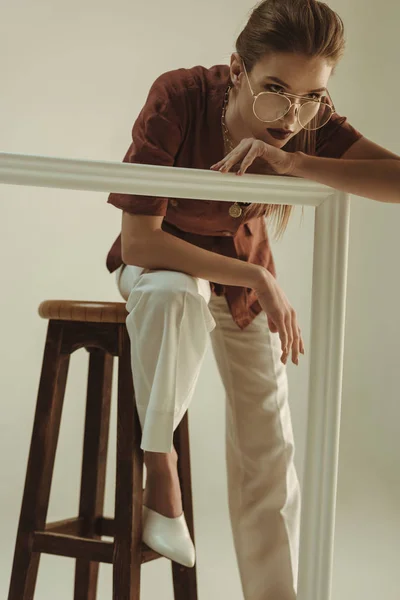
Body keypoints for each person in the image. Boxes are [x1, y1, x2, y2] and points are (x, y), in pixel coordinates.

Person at [106, 1, 400, 598]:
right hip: (163, 263)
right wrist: (263, 281)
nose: (290, 115)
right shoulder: (180, 97)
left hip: (242, 279)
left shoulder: (306, 121)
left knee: (270, 447)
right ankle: (159, 474)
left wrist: (294, 162)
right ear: (238, 70)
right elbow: (140, 240)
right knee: (173, 295)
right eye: (274, 90)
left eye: (311, 96)